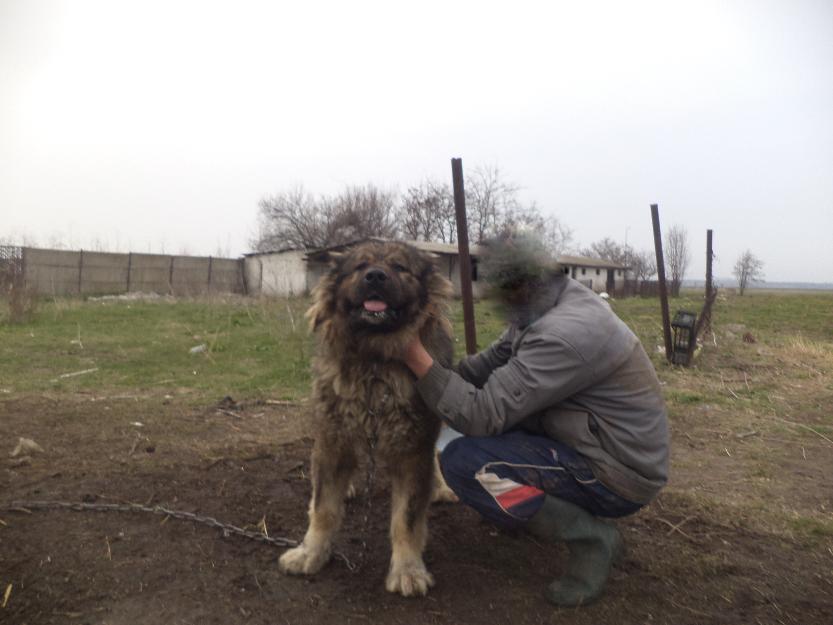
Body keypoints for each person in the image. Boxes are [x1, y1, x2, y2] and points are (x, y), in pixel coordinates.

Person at [399, 232, 669, 607]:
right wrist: (430, 383)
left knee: (468, 464)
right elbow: (486, 366)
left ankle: (592, 539)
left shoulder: (564, 333)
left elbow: (481, 413)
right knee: (468, 429)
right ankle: (527, 511)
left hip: (617, 474)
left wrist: (413, 355)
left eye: (501, 288)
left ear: (522, 283)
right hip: (591, 438)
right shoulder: (546, 303)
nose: (495, 299)